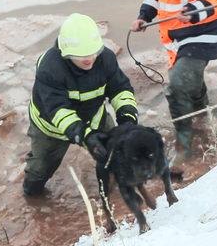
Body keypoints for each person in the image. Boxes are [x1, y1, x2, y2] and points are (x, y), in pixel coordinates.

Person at [131, 0, 217, 170]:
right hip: (176, 36)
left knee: (176, 85)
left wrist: (195, 11)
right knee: (189, 80)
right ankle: (203, 112)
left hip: (201, 34)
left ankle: (184, 145)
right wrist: (144, 16)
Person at [23, 13, 138, 197]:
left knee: (113, 155)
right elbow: (59, 111)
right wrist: (86, 136)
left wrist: (127, 117)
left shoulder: (105, 58)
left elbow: (120, 89)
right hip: (51, 129)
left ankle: (114, 192)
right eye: (81, 55)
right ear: (66, 52)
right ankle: (33, 196)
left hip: (94, 117)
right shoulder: (50, 68)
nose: (89, 59)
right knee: (39, 171)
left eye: (93, 53)